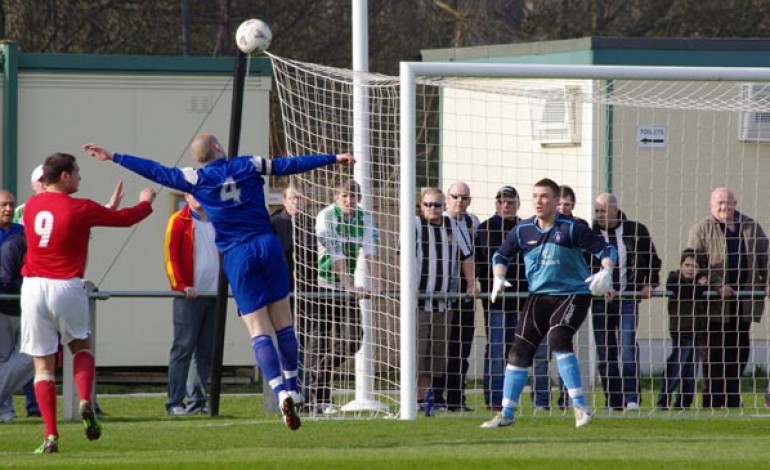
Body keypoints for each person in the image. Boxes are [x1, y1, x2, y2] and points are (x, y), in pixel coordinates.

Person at [83, 134, 355, 431]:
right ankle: (294, 388)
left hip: (237, 253)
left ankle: (280, 393)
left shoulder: (194, 178)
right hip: (267, 243)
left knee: (257, 329)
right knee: (284, 322)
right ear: (218, 148)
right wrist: (331, 157)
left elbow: (155, 170)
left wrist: (115, 156)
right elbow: (288, 165)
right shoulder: (247, 164)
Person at [19, 152, 155, 453]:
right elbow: (125, 219)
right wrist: (146, 201)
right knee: (81, 345)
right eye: (77, 173)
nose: (80, 178)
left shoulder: (30, 207)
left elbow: (59, 227)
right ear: (65, 176)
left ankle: (51, 436)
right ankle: (84, 399)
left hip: (32, 287)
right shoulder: (80, 207)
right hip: (65, 285)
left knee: (42, 366)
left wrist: (105, 208)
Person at [480, 178, 617, 429]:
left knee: (558, 338)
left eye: (544, 196)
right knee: (518, 350)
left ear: (556, 201)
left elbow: (605, 249)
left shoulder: (572, 228)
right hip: (539, 296)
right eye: (535, 196)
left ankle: (580, 407)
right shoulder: (523, 230)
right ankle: (506, 413)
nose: (539, 201)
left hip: (572, 294)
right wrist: (498, 275)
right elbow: (502, 254)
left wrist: (606, 271)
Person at [687, 187, 769, 408]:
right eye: (719, 203)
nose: (724, 207)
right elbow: (692, 263)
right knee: (713, 353)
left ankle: (733, 399)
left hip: (744, 302)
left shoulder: (751, 228)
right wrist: (715, 285)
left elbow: (766, 258)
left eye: (728, 202)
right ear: (711, 204)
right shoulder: (701, 230)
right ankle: (712, 401)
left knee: (739, 351)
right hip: (714, 305)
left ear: (736, 203)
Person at [306, 179, 379, 414]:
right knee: (320, 340)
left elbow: (371, 253)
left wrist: (377, 285)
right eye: (344, 196)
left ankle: (317, 374)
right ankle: (318, 399)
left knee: (353, 339)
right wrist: (348, 284)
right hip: (323, 284)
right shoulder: (326, 216)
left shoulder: (365, 218)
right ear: (336, 197)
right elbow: (335, 252)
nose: (349, 201)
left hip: (347, 288)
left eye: (353, 196)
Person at [591, 192, 661, 411]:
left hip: (628, 299)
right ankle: (613, 400)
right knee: (606, 350)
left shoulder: (636, 231)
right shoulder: (591, 234)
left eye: (603, 211)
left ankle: (632, 398)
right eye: (596, 211)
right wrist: (599, 286)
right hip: (600, 301)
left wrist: (650, 282)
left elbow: (652, 259)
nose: (599, 215)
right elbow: (584, 263)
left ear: (615, 210)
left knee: (627, 346)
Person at [412, 187, 476, 415]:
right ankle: (415, 399)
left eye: (437, 205)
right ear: (421, 205)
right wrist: (410, 285)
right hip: (418, 303)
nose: (433, 209)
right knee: (417, 352)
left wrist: (470, 283)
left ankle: (427, 399)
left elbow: (466, 256)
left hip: (444, 302)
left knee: (436, 355)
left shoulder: (453, 226)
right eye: (428, 204)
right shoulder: (414, 226)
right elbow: (402, 256)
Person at [531, 184, 585, 410]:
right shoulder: (533, 227)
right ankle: (540, 402)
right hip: (542, 298)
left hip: (569, 297)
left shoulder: (578, 228)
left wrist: (600, 277)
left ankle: (569, 400)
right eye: (560, 203)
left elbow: (590, 257)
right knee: (539, 353)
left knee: (562, 344)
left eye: (567, 204)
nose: (563, 207)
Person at [163, 193, 218, 416]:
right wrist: (181, 285)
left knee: (205, 350)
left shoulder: (217, 220)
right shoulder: (179, 220)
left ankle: (198, 401)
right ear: (187, 196)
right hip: (189, 296)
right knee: (183, 347)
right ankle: (175, 401)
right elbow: (170, 256)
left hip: (214, 295)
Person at [475, 185, 525, 411]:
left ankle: (511, 399)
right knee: (496, 350)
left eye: (510, 202)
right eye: (502, 201)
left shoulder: (525, 228)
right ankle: (494, 399)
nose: (506, 205)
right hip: (495, 302)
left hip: (522, 301)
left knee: (516, 351)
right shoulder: (484, 229)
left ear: (518, 204)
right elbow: (479, 263)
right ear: (496, 203)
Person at [270, 185, 316, 405]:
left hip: (308, 292)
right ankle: (285, 391)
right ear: (284, 200)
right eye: (293, 198)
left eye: (300, 198)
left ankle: (304, 393)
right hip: (283, 292)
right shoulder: (275, 223)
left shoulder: (311, 224)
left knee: (308, 343)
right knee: (288, 341)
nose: (297, 202)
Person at [440, 181, 480, 412]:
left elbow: (475, 255)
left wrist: (473, 283)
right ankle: (435, 398)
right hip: (441, 296)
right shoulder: (437, 221)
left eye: (464, 198)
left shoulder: (472, 222)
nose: (459, 201)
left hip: (465, 296)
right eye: (455, 197)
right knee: (439, 350)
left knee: (461, 350)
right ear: (448, 198)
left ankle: (456, 399)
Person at [656, 249, 708, 410]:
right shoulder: (674, 278)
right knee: (677, 365)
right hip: (682, 329)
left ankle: (684, 403)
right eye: (687, 265)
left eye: (695, 266)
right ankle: (663, 400)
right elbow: (686, 291)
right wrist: (699, 286)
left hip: (698, 331)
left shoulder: (702, 282)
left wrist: (700, 286)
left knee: (691, 370)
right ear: (681, 265)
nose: (690, 269)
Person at [0, 190, 33, 424]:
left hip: (22, 304)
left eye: (11, 205)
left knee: (27, 357)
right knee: (3, 358)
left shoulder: (21, 234)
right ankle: (5, 411)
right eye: (3, 205)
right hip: (3, 304)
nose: (8, 209)